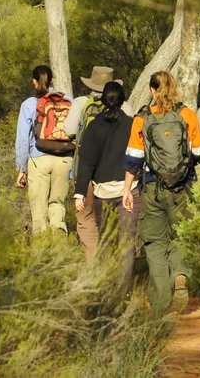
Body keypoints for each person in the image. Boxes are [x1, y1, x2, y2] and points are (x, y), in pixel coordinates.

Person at [122, 70, 200, 314]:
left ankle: (160, 304)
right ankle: (180, 273)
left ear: (152, 91)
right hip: (182, 188)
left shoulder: (142, 119)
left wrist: (127, 189)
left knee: (155, 243)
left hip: (151, 188)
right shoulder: (186, 115)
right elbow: (199, 152)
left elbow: (133, 159)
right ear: (174, 88)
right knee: (180, 235)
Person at [73, 81, 139, 290]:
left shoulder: (94, 126)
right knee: (126, 242)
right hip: (129, 191)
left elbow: (86, 162)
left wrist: (79, 193)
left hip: (103, 193)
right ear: (123, 99)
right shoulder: (132, 124)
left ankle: (107, 288)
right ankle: (124, 290)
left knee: (107, 240)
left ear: (103, 100)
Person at [64, 66, 129, 258]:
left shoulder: (80, 103)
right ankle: (115, 262)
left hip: (85, 172)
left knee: (86, 219)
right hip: (115, 175)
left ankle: (92, 265)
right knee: (115, 223)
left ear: (91, 83)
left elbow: (69, 131)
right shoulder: (123, 105)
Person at [15, 64, 73, 235]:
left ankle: (43, 252)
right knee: (57, 204)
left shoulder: (29, 104)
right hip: (64, 159)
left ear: (34, 82)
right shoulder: (68, 100)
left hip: (38, 159)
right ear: (52, 80)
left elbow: (23, 139)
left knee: (38, 208)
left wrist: (21, 169)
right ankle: (59, 246)